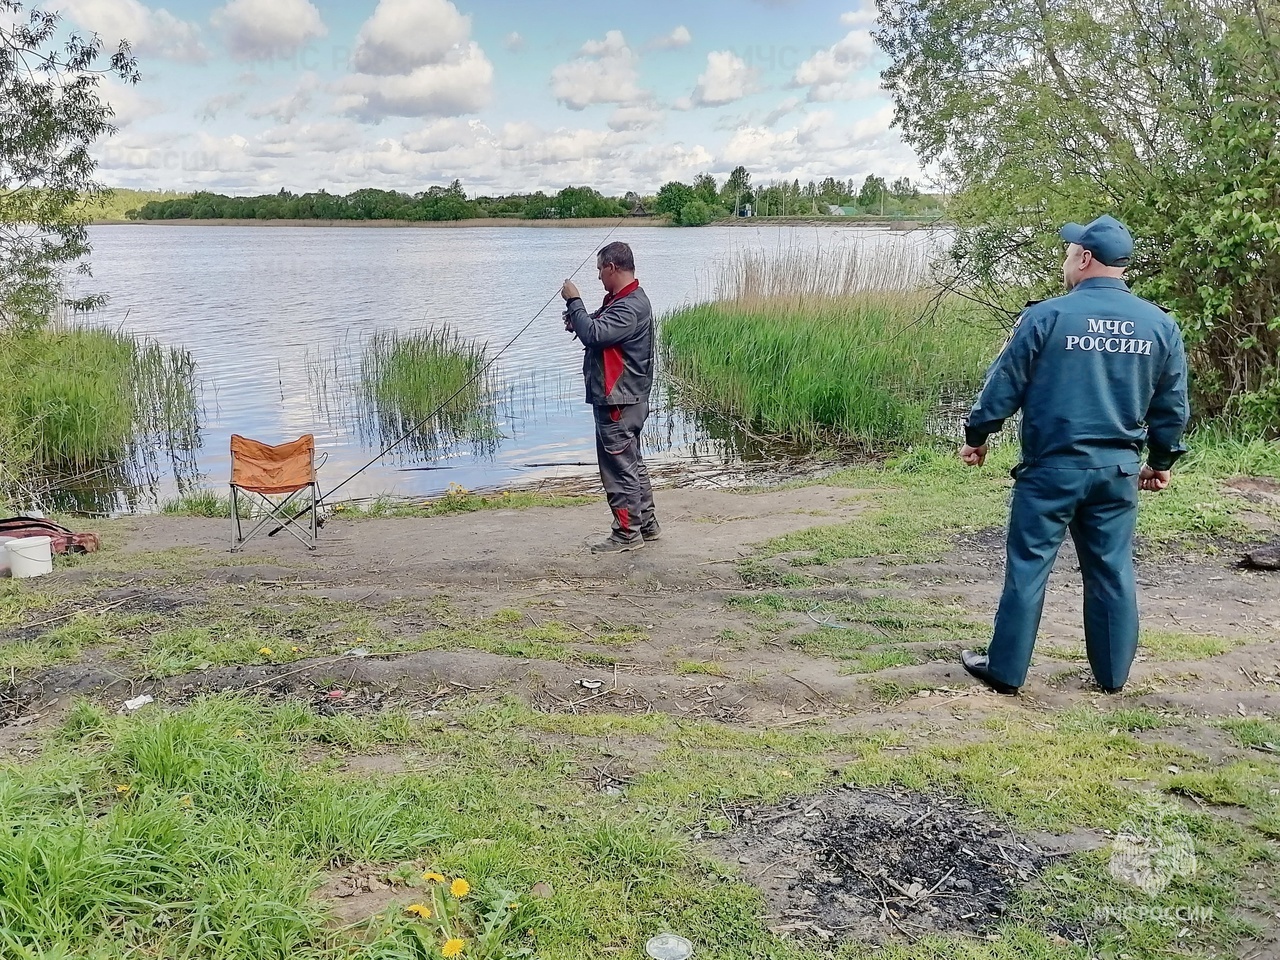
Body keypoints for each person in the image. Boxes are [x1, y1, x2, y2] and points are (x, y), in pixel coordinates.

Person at [958, 214, 1190, 695]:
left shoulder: (1046, 316)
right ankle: (1112, 676)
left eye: (1069, 252)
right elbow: (1172, 405)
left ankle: (1005, 671)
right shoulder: (1160, 324)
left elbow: (1004, 384)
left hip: (1051, 471)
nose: (1066, 259)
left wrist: (978, 435)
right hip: (1117, 472)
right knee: (1112, 568)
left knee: (1028, 566)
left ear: (1085, 259)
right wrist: (1161, 462)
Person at [560, 241, 659, 554]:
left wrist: (574, 301)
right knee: (632, 463)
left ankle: (626, 534)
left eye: (600, 269)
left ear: (612, 267)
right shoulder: (626, 300)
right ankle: (647, 525)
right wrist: (578, 318)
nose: (599, 276)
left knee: (618, 468)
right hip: (627, 396)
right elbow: (597, 329)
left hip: (619, 399)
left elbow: (594, 334)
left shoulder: (630, 306)